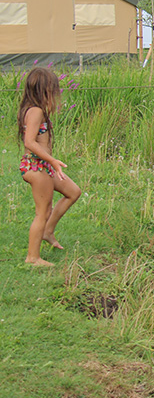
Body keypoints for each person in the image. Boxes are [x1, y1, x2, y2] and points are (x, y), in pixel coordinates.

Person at [17, 67, 81, 266]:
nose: (56, 95)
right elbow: (29, 142)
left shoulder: (35, 109)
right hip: (37, 167)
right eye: (54, 90)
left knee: (73, 191)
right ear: (44, 91)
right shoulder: (35, 111)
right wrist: (52, 160)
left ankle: (48, 231)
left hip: (42, 165)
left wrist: (50, 162)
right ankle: (32, 257)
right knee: (42, 212)